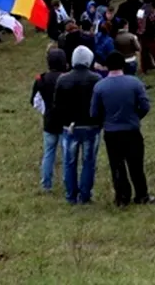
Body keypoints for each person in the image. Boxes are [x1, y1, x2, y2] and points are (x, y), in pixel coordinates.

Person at [91, 53, 154, 206]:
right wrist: (135, 117)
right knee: (136, 165)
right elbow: (145, 105)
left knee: (117, 165)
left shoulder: (100, 87)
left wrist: (105, 121)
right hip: (132, 130)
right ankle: (142, 195)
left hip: (112, 132)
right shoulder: (134, 83)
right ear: (123, 65)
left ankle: (122, 197)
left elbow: (94, 112)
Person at [53, 45, 103, 205]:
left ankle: (71, 195)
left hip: (70, 126)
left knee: (69, 162)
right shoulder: (96, 79)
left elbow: (57, 105)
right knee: (89, 161)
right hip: (91, 125)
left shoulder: (63, 79)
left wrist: (63, 122)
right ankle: (85, 195)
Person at [31, 48, 68, 191]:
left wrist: (45, 111)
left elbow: (34, 101)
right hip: (65, 120)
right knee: (67, 155)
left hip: (50, 120)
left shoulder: (41, 79)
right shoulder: (67, 78)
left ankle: (46, 184)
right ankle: (68, 182)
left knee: (49, 153)